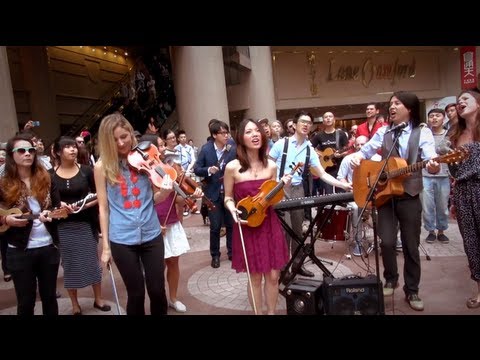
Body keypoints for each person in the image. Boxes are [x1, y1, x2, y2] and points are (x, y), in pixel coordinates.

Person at [350, 91, 440, 311]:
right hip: (385, 195)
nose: (392, 107)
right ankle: (391, 278)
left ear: (409, 108)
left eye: (397, 103)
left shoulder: (422, 132)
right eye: (390, 103)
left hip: (409, 195)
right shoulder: (384, 131)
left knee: (410, 246)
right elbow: (368, 149)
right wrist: (357, 156)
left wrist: (433, 164)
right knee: (387, 242)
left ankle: (412, 291)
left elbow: (430, 156)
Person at [93, 113, 173, 315]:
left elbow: (154, 199)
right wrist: (106, 247)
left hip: (151, 233)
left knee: (157, 290)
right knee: (135, 293)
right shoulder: (102, 166)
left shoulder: (146, 157)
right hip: (121, 238)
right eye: (115, 139)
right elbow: (103, 207)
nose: (121, 143)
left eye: (124, 136)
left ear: (131, 133)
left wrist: (164, 192)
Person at [269, 111, 352, 278]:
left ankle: (297, 265)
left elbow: (322, 174)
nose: (306, 125)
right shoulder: (282, 144)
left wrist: (342, 184)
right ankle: (283, 268)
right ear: (295, 124)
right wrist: (275, 183)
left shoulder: (310, 149)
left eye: (309, 122)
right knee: (285, 231)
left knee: (298, 231)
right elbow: (267, 166)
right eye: (303, 121)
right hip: (280, 190)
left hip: (298, 190)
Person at [223, 119, 292, 314]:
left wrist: (281, 187)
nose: (255, 134)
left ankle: (271, 312)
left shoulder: (271, 166)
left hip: (269, 224)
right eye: (249, 131)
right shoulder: (232, 167)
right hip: (247, 224)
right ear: (241, 138)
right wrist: (232, 209)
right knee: (254, 277)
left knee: (273, 276)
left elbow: (272, 201)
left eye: (257, 131)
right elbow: (227, 197)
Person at [0, 133, 61, 315]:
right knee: (26, 302)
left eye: (31, 150)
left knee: (50, 297)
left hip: (48, 247)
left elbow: (58, 208)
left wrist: (54, 214)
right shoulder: (3, 184)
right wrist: (5, 219)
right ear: (12, 155)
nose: (27, 154)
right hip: (18, 250)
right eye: (21, 150)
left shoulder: (47, 178)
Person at [141, 133, 202, 313]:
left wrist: (188, 196)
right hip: (152, 224)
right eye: (159, 146)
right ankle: (158, 301)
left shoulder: (170, 168)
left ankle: (173, 298)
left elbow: (177, 202)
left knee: (174, 263)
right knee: (155, 268)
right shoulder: (143, 173)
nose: (162, 149)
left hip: (171, 222)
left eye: (162, 145)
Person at [50, 136, 110, 315]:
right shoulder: (49, 175)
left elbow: (99, 195)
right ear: (58, 152)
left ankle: (98, 299)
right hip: (63, 227)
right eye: (67, 147)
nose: (72, 150)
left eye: (74, 146)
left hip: (85, 224)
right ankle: (75, 304)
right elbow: (48, 202)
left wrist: (83, 205)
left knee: (92, 262)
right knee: (69, 266)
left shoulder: (86, 171)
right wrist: (59, 206)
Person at [447, 90, 480, 309]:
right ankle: (479, 290)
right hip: (462, 193)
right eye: (459, 100)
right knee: (471, 244)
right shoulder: (455, 135)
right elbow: (454, 171)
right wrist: (452, 201)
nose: (460, 102)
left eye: (466, 99)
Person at [194, 120, 236, 268]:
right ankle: (215, 255)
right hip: (212, 193)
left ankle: (232, 252)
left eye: (227, 132)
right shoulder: (206, 150)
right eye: (223, 133)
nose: (226, 135)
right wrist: (208, 170)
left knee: (231, 224)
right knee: (215, 226)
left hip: (230, 192)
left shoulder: (232, 148)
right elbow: (196, 169)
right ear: (214, 135)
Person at [422, 109, 451, 244]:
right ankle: (430, 231)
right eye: (431, 116)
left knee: (442, 206)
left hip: (443, 175)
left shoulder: (449, 135)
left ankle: (441, 231)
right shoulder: (424, 134)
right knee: (427, 206)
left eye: (437, 116)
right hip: (425, 174)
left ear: (443, 118)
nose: (434, 118)